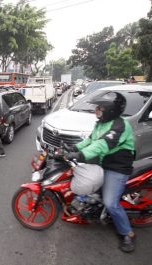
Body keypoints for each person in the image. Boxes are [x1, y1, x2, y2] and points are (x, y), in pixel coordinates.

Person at [65, 92, 136, 253]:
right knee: (89, 185)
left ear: (110, 110)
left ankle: (127, 233)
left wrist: (80, 155)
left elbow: (102, 145)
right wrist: (74, 148)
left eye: (100, 108)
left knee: (111, 203)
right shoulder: (101, 123)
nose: (96, 110)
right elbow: (90, 140)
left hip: (117, 167)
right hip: (103, 163)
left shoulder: (120, 125)